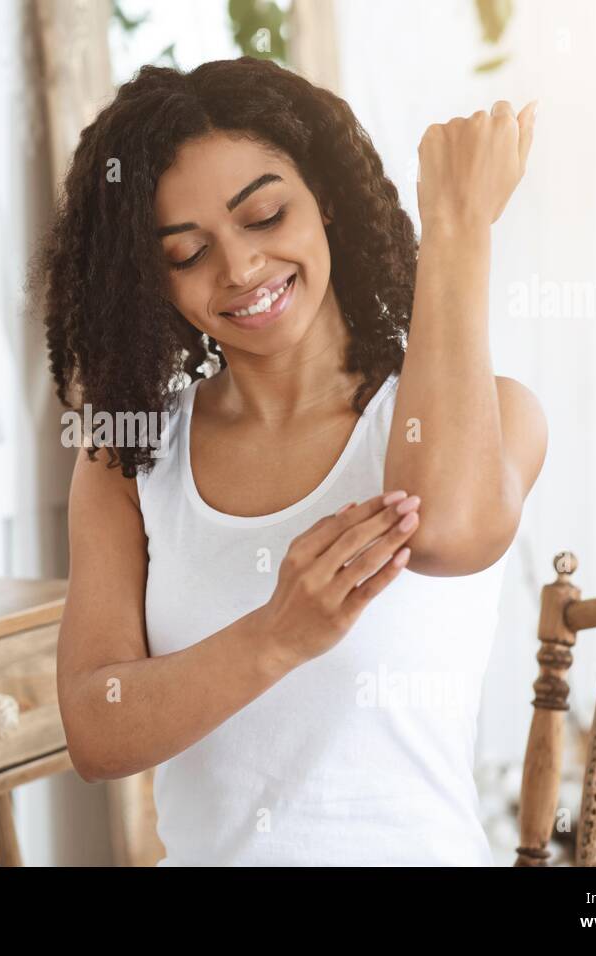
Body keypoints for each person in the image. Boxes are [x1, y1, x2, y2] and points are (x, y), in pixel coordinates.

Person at [29, 56, 548, 865]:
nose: (238, 269)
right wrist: (277, 634)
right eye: (186, 252)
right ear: (151, 284)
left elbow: (442, 529)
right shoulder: (128, 458)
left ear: (327, 199)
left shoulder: (490, 416)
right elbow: (96, 728)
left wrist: (456, 224)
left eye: (264, 216)